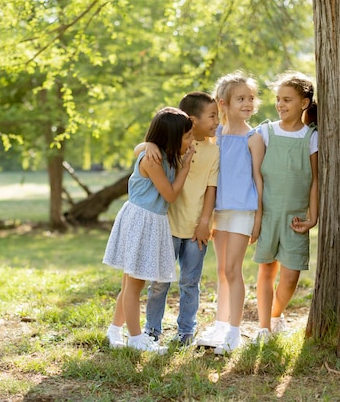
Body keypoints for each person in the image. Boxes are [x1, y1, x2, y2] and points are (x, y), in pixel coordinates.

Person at [104, 107, 195, 354]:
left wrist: (146, 144)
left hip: (149, 220)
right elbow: (170, 194)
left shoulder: (161, 154)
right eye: (187, 137)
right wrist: (185, 167)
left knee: (130, 282)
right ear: (171, 138)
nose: (191, 141)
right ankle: (135, 339)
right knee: (134, 284)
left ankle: (114, 330)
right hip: (142, 220)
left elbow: (142, 148)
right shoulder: (153, 159)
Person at [135, 92, 220, 346]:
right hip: (167, 226)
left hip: (197, 228)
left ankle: (185, 331)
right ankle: (152, 331)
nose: (217, 121)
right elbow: (144, 150)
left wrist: (206, 221)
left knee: (190, 282)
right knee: (159, 283)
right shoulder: (173, 145)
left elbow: (211, 189)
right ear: (192, 121)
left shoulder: (213, 151)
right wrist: (146, 144)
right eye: (212, 116)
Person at [195, 71, 264, 354]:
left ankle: (235, 332)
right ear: (223, 103)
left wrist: (259, 217)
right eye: (241, 98)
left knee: (234, 270)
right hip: (219, 212)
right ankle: (221, 324)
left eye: (250, 98)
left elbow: (259, 179)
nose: (248, 103)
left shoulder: (254, 137)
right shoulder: (217, 136)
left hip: (243, 212)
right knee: (222, 271)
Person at [252, 72, 318, 344]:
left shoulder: (311, 138)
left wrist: (313, 216)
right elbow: (255, 176)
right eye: (278, 99)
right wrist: (256, 216)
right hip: (268, 215)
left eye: (287, 100)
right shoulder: (265, 132)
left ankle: (276, 316)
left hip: (296, 219)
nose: (280, 104)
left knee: (290, 277)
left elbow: (315, 180)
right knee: (266, 271)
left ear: (304, 102)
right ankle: (264, 327)